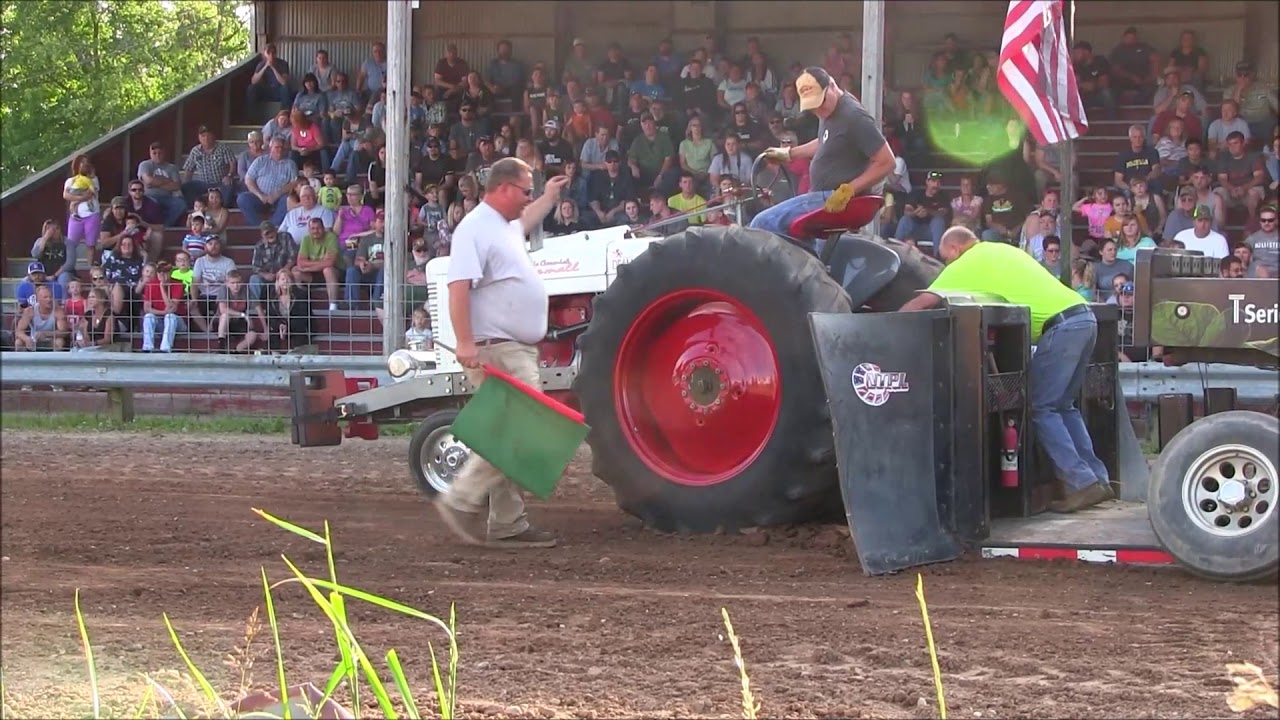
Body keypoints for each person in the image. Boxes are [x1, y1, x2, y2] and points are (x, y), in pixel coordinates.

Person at [899, 227, 1114, 513]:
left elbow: (924, 302)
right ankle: (1097, 479)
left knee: (1040, 407)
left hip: (1061, 327)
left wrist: (885, 327)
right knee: (1063, 406)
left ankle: (1081, 482)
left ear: (954, 249)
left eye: (946, 259)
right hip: (1083, 318)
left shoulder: (966, 262)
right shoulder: (1004, 250)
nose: (948, 266)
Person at [435, 157, 569, 549]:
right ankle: (461, 497)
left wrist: (548, 197)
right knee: (524, 427)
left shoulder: (503, 226)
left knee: (510, 432)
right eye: (526, 191)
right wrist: (465, 342)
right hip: (496, 348)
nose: (527, 200)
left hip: (513, 347)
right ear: (505, 188)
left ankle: (508, 522)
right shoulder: (473, 229)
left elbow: (524, 223)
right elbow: (457, 287)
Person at [750, 66, 895, 238]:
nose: (818, 110)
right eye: (813, 107)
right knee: (796, 236)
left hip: (836, 198)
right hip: (822, 195)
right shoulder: (829, 112)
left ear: (832, 85)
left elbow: (887, 161)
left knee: (761, 223)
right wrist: (789, 154)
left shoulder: (854, 117)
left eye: (821, 102)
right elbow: (825, 142)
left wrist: (849, 190)